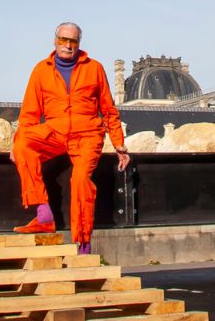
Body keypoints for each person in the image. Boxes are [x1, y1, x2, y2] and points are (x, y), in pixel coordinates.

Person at [10, 21, 130, 254]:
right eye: (63, 40)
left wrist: (119, 144)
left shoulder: (94, 68)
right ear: (55, 41)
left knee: (81, 182)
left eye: (72, 41)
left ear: (79, 44)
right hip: (55, 131)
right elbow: (30, 113)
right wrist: (17, 144)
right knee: (23, 142)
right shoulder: (41, 70)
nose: (68, 45)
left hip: (87, 134)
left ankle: (83, 243)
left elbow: (108, 109)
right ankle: (43, 213)